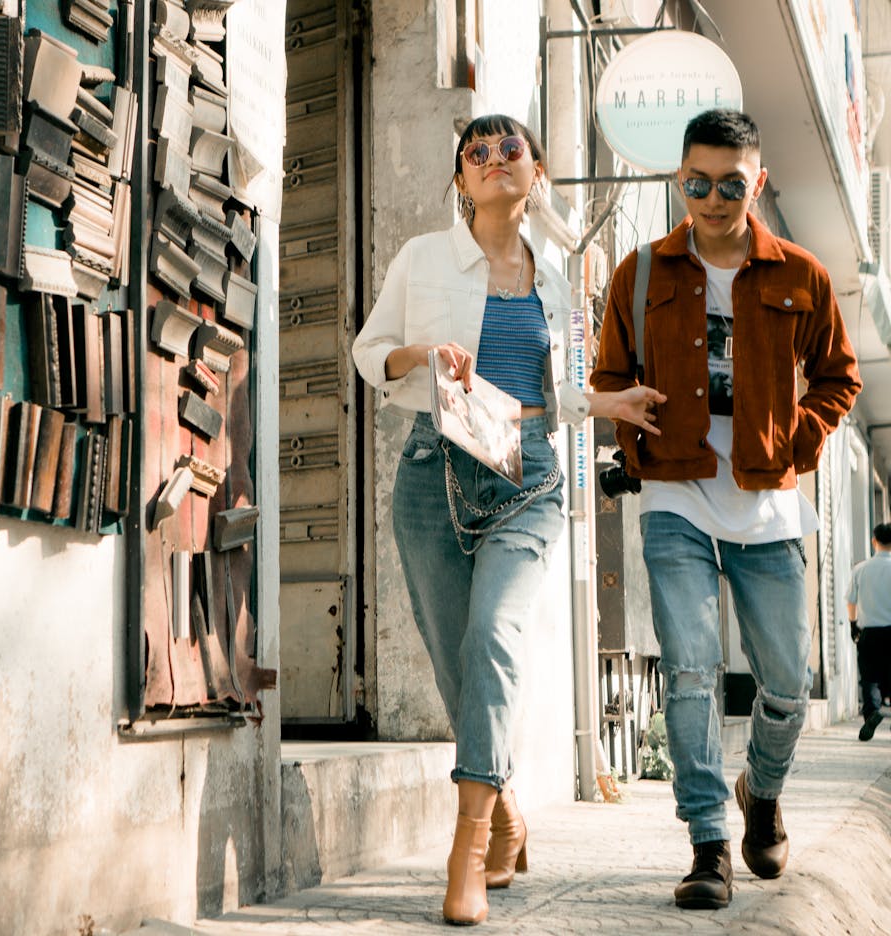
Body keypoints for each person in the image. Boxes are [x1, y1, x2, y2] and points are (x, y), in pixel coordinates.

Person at [351, 114, 664, 926]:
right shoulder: (423, 258)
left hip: (527, 477)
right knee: (457, 664)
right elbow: (369, 353)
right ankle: (506, 808)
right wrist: (422, 355)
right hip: (434, 470)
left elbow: (554, 393)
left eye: (510, 150)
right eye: (477, 153)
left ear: (537, 172)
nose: (494, 160)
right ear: (461, 180)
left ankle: (466, 851)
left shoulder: (557, 284)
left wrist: (608, 402)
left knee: (494, 636)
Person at [590, 109, 862, 911]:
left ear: (758, 183)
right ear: (680, 181)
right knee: (690, 669)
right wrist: (627, 418)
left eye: (731, 186)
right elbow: (608, 376)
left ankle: (761, 791)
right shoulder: (640, 272)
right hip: (674, 492)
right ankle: (708, 842)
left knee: (787, 682)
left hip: (767, 501)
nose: (713, 200)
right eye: (698, 183)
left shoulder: (801, 275)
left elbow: (839, 378)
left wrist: (795, 441)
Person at [848, 522, 891, 740]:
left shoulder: (860, 569)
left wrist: (853, 624)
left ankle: (872, 712)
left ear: (874, 541)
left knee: (869, 678)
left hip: (870, 632)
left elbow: (851, 601)